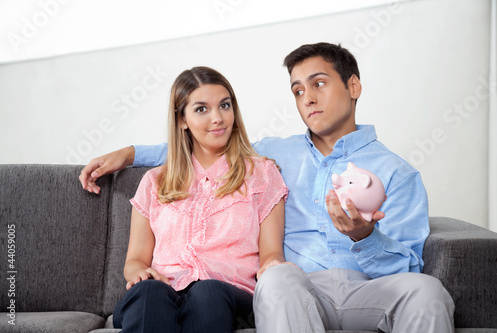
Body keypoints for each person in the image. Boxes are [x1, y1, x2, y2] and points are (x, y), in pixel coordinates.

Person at [80, 43, 455, 332]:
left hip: (370, 289)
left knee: (428, 290)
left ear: (353, 86)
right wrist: (130, 153)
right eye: (297, 90)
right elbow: (202, 146)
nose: (307, 97)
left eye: (319, 84)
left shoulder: (397, 173)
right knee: (275, 275)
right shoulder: (274, 153)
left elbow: (410, 266)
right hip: (297, 287)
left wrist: (365, 236)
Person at [110, 66, 288, 333]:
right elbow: (135, 260)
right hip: (164, 291)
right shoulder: (154, 182)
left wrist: (273, 267)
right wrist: (141, 273)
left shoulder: (262, 174)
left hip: (229, 295)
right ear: (182, 119)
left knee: (207, 293)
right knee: (149, 293)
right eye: (202, 109)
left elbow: (272, 253)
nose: (217, 118)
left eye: (224, 106)